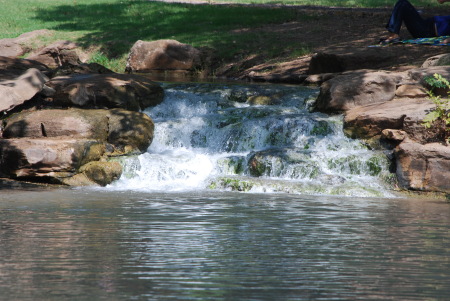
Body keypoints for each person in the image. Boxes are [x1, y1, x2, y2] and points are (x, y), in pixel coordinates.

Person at [381, 0, 450, 44]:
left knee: (402, 3)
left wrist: (448, 40)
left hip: (427, 31)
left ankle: (393, 35)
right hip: (426, 25)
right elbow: (440, 1)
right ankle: (392, 34)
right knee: (402, 3)